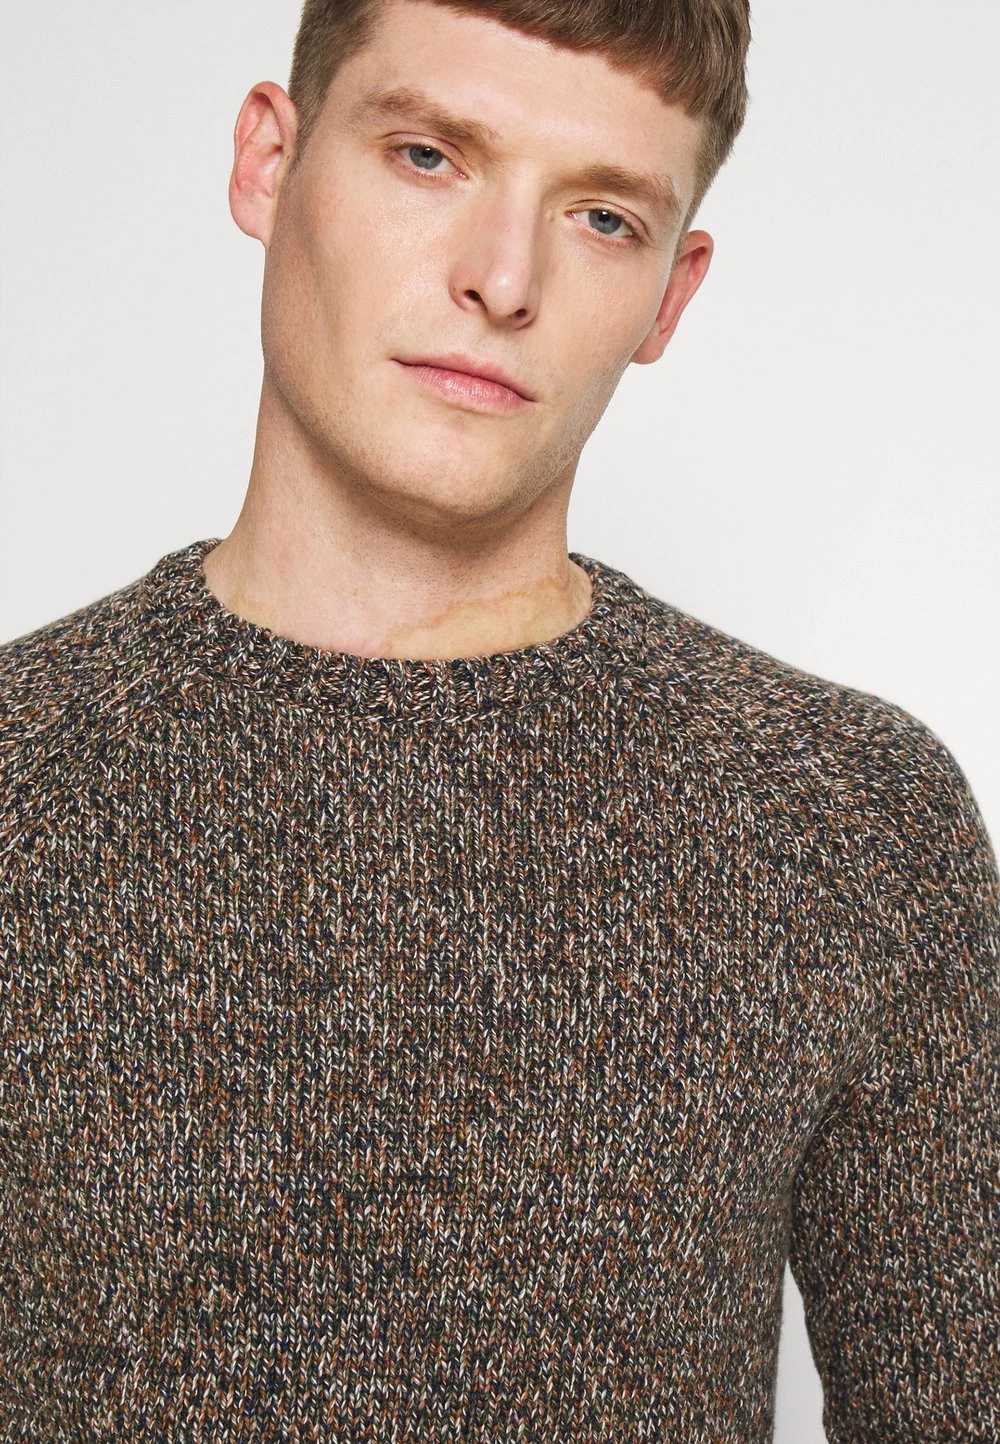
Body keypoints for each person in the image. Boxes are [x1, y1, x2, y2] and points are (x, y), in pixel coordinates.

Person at [0, 0, 996, 1439]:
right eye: (427, 155)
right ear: (268, 161)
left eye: (602, 217)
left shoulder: (846, 822)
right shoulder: (23, 773)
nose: (504, 277)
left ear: (670, 296)